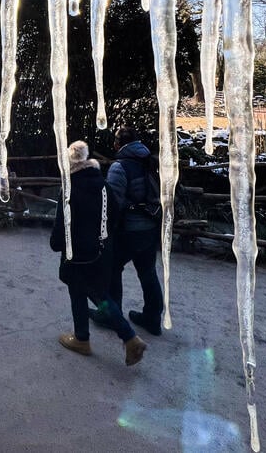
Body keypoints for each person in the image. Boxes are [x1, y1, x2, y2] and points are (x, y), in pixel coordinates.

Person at [50, 140, 147, 366]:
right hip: (102, 252)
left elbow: (61, 225)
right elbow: (114, 215)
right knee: (90, 292)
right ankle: (82, 336)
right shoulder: (104, 187)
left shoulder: (69, 188)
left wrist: (56, 244)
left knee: (92, 294)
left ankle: (127, 337)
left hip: (78, 255)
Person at [100, 126, 165, 336]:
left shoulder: (120, 167)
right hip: (151, 226)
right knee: (148, 273)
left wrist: (105, 230)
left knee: (111, 269)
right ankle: (153, 318)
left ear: (119, 144)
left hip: (129, 230)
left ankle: (113, 315)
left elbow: (112, 203)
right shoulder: (150, 161)